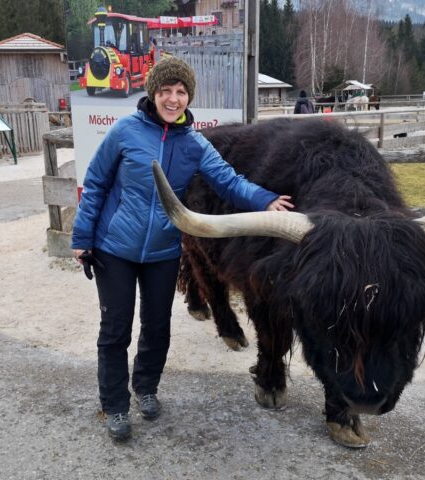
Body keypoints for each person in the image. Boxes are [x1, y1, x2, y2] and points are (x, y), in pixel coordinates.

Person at [71, 57, 293, 442]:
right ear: (153, 93)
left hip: (161, 252)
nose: (173, 99)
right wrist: (81, 238)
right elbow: (96, 183)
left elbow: (229, 181)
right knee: (115, 330)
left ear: (188, 98)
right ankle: (115, 404)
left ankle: (145, 388)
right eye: (165, 91)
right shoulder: (125, 131)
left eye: (180, 92)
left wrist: (266, 200)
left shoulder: (193, 143)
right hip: (115, 249)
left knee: (157, 328)